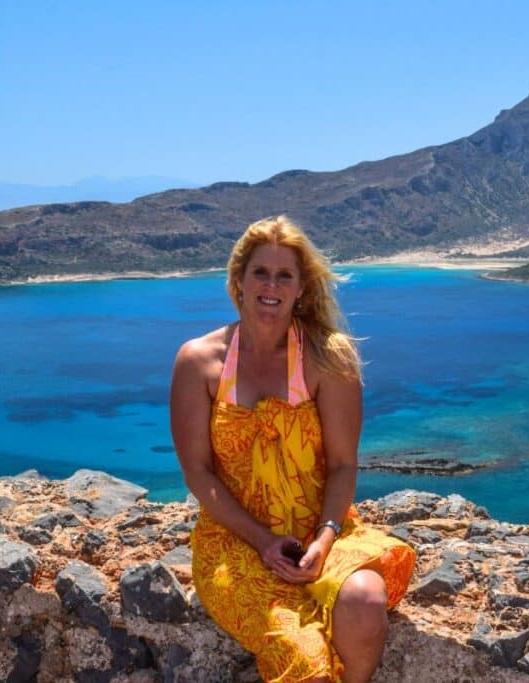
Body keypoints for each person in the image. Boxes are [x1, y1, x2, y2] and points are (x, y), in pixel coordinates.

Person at [170, 215, 415, 682]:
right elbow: (199, 473)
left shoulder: (328, 356)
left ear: (301, 288)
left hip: (323, 527)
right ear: (238, 280)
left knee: (364, 601)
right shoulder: (199, 362)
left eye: (285, 275)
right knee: (299, 651)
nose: (271, 285)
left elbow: (343, 465)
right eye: (260, 272)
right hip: (235, 539)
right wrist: (263, 542)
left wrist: (323, 539)